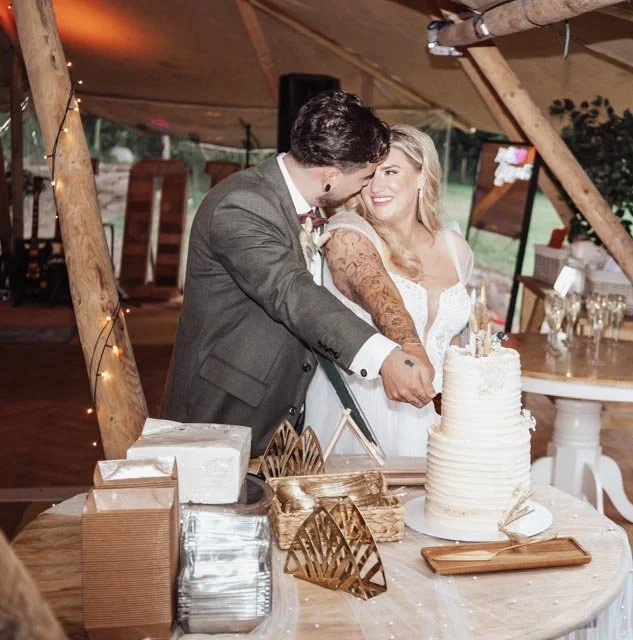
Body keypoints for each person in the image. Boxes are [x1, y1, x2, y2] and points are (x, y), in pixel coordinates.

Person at [161, 92, 436, 456]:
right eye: (365, 177)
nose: (365, 188)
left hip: (282, 408)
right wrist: (383, 357)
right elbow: (292, 293)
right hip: (225, 410)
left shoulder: (307, 205)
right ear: (330, 177)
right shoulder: (241, 204)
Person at [306, 124, 474, 457]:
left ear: (422, 175)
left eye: (391, 172)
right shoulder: (348, 234)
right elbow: (375, 291)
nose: (376, 187)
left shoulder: (456, 247)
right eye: (370, 175)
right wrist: (411, 347)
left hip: (440, 415)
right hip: (366, 407)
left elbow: (457, 339)